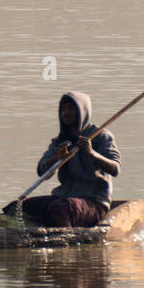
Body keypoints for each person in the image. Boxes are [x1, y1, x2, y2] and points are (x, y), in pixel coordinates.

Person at [21, 92, 121, 228]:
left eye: (71, 108)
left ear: (82, 111)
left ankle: (66, 240)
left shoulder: (101, 136)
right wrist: (55, 159)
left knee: (61, 208)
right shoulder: (60, 140)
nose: (65, 113)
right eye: (63, 109)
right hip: (64, 198)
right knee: (19, 207)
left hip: (93, 202)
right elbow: (42, 172)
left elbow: (115, 169)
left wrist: (91, 153)